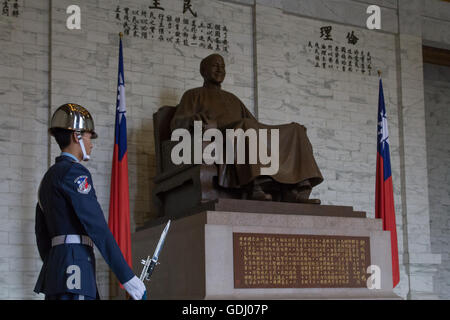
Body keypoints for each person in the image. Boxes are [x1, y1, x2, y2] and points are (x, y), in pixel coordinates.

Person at [170, 54, 324, 203]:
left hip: (242, 134)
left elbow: (256, 125)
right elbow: (176, 124)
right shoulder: (193, 95)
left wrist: (279, 134)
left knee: (295, 129)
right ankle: (254, 187)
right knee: (245, 127)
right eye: (215, 66)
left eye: (222, 66)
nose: (219, 70)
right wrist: (191, 120)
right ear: (203, 71)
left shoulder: (233, 98)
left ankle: (296, 189)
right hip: (220, 139)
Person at [34, 103, 146, 300]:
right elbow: (97, 227)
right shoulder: (75, 173)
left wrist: (56, 265)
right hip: (75, 269)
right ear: (76, 136)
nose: (91, 143)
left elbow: (41, 234)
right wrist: (127, 277)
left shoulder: (47, 178)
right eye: (88, 136)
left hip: (57, 271)